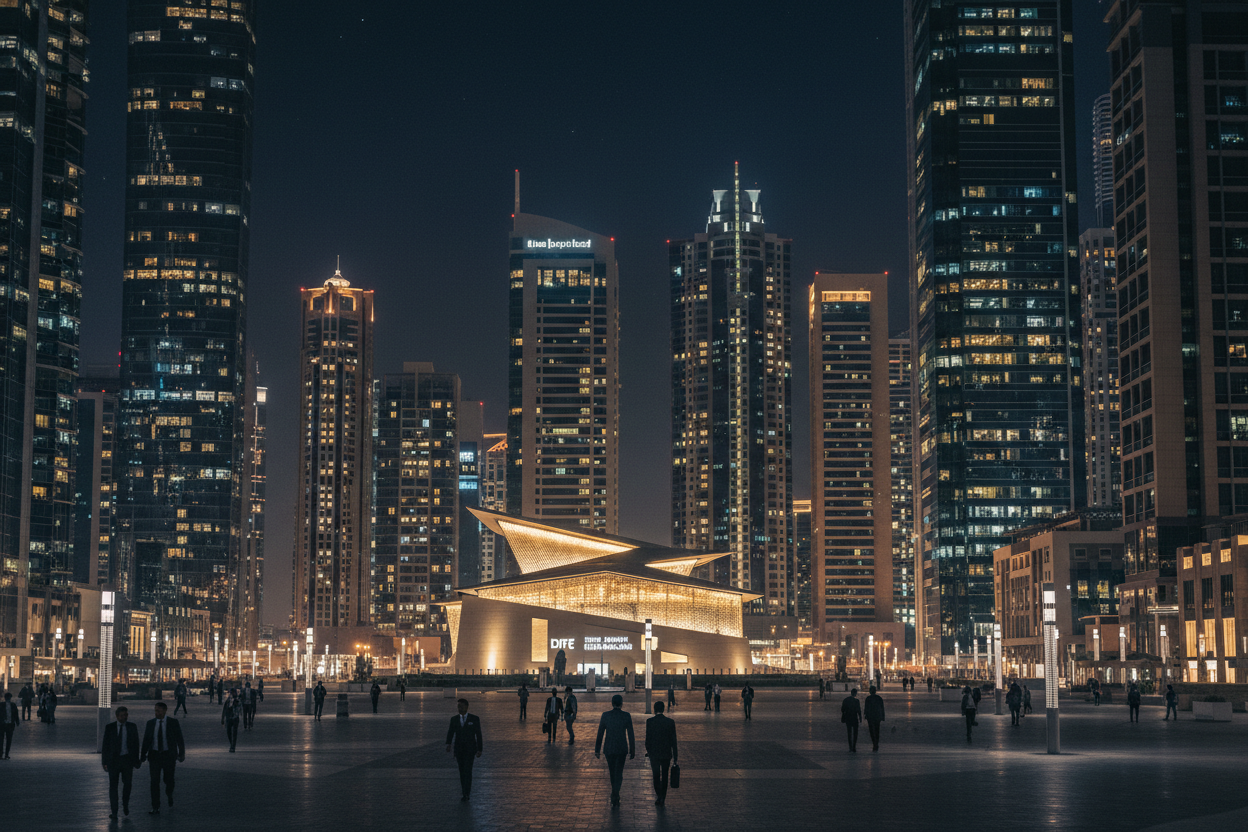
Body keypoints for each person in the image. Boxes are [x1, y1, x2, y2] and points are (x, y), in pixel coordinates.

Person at [140, 701, 184, 814]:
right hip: (154, 756)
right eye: (155, 711)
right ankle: (155, 806)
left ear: (165, 711)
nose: (157, 713)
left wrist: (181, 753)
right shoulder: (150, 723)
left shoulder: (173, 723)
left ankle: (169, 793)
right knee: (154, 781)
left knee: (169, 779)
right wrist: (143, 755)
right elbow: (146, 740)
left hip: (168, 756)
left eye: (159, 711)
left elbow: (179, 739)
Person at [594, 694, 636, 808]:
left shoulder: (605, 715)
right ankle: (615, 793)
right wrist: (632, 750)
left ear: (612, 703)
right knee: (619, 772)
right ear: (622, 704)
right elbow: (631, 734)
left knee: (612, 772)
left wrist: (597, 749)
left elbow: (600, 733)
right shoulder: (626, 716)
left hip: (609, 748)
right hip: (622, 748)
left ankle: (615, 793)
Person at [101, 706, 141, 819]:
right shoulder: (110, 728)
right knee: (113, 786)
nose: (125, 717)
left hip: (127, 760)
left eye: (126, 715)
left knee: (127, 784)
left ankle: (125, 803)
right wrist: (104, 761)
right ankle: (114, 810)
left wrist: (136, 760)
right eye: (122, 715)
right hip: (113, 761)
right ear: (117, 716)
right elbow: (105, 746)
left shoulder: (132, 727)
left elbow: (136, 744)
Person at [445, 698, 483, 801]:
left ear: (466, 707)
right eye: (458, 706)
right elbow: (450, 732)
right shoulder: (454, 719)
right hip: (459, 750)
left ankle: (467, 792)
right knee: (462, 771)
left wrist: (479, 749)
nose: (459, 708)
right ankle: (464, 792)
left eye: (461, 706)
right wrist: (448, 744)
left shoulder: (474, 719)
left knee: (468, 770)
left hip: (470, 750)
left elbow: (478, 734)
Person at [645, 700, 678, 807]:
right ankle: (663, 796)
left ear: (654, 710)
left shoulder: (650, 722)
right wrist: (675, 756)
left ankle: (659, 795)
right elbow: (673, 741)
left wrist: (649, 751)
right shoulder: (670, 722)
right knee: (664, 775)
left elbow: (648, 739)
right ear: (663, 709)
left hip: (654, 754)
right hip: (666, 753)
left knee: (655, 775)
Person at [864, 685, 885, 751]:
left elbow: (866, 708)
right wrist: (882, 716)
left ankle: (874, 742)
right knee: (877, 730)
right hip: (877, 716)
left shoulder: (868, 699)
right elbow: (882, 708)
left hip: (870, 716)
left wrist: (865, 715)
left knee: (871, 730)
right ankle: (876, 743)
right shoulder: (879, 698)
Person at [840, 688, 862, 752]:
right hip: (854, 718)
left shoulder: (846, 700)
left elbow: (842, 709)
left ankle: (850, 746)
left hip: (848, 718)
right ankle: (854, 746)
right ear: (856, 693)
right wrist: (860, 717)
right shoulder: (856, 701)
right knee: (855, 733)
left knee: (849, 732)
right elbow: (859, 710)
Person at [1, 692, 18, 758]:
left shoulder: (2, 705)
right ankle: (5, 754)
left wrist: (17, 721)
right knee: (8, 740)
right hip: (7, 724)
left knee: (3, 740)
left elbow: (16, 714)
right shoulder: (13, 705)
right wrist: (17, 722)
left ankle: (3, 753)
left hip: (5, 724)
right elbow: (16, 714)